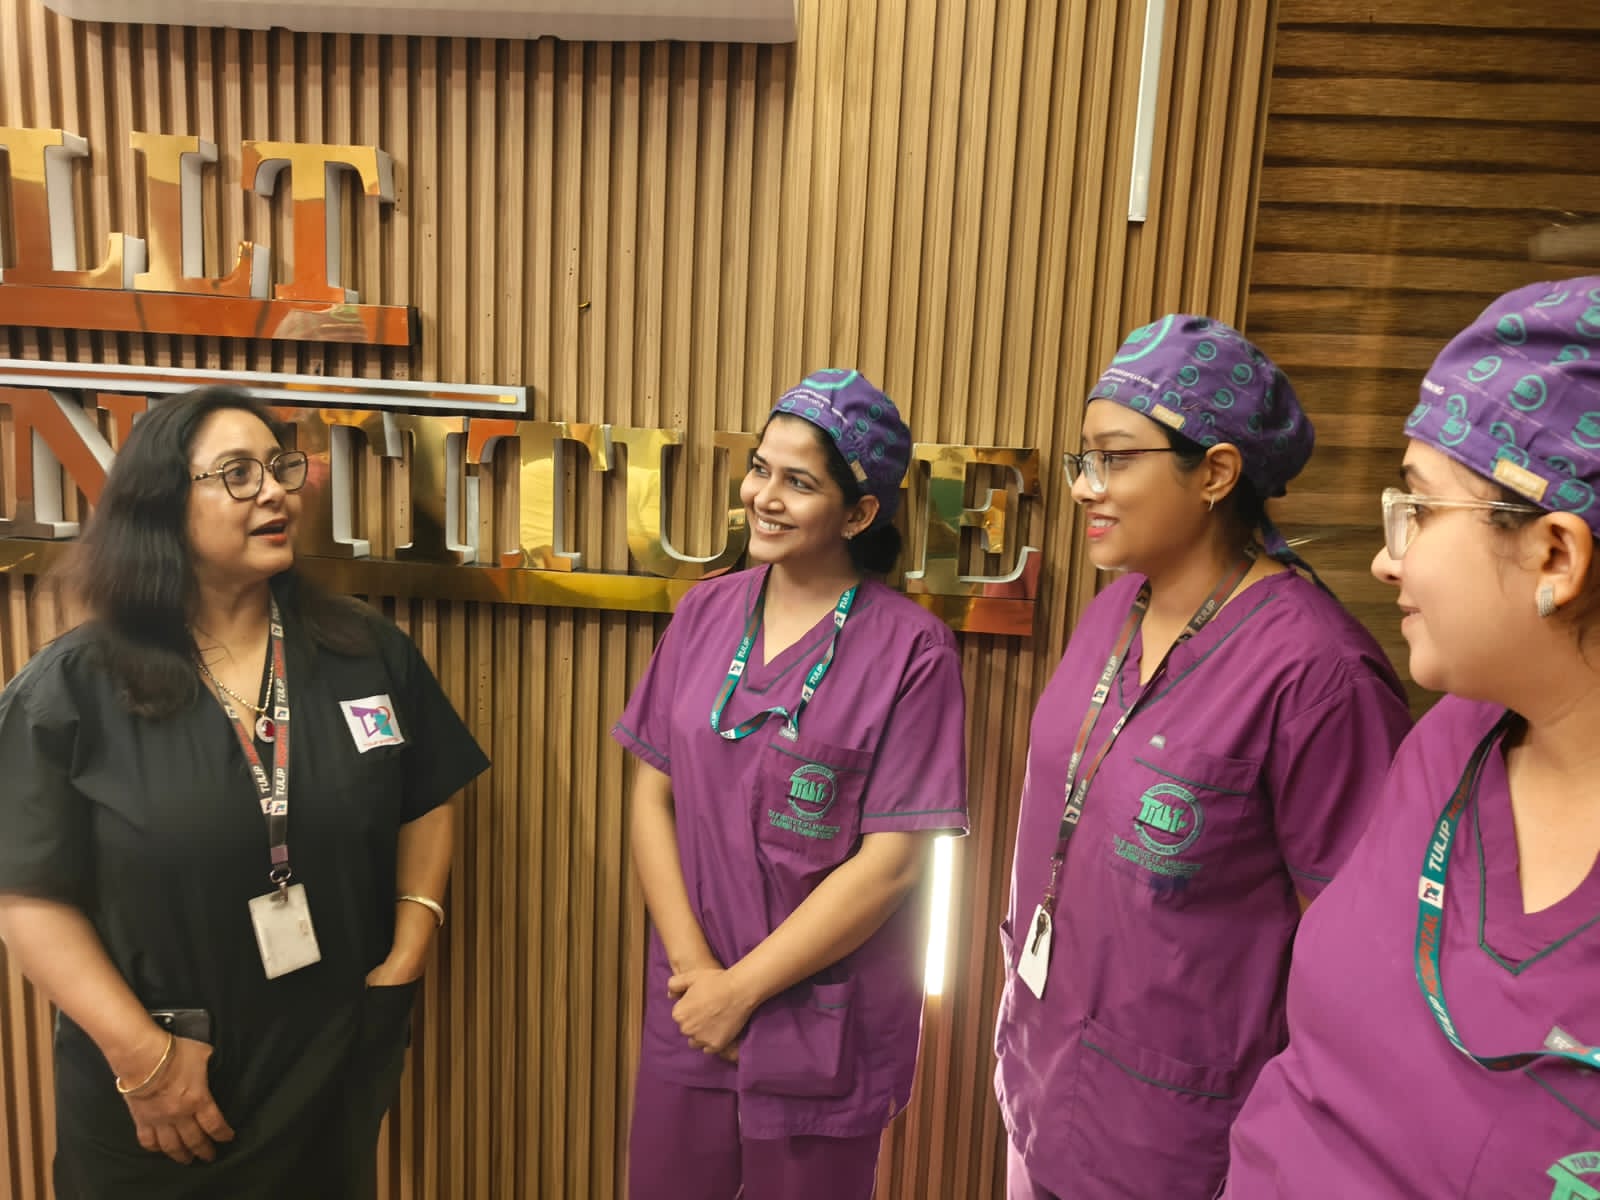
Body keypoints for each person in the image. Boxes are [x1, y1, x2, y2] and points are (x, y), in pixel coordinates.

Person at [0, 386, 490, 1199]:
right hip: (164, 1091)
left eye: (279, 467)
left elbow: (426, 793)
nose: (274, 492)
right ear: (162, 505)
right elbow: (26, 896)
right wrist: (144, 1059)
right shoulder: (74, 687)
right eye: (236, 473)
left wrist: (409, 946)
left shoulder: (363, 651)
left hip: (328, 1065)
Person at [992, 316, 1414, 1199]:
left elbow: (1355, 962)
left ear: (1216, 473)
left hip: (1179, 1140)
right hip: (1041, 1081)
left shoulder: (1318, 675)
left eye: (1115, 459)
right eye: (1083, 459)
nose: (1085, 487)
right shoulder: (1114, 612)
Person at [1225, 278, 1600, 1196]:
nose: (1386, 559)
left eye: (1421, 512)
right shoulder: (1452, 741)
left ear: (1555, 555)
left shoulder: (1323, 670)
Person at [612, 369, 969, 1200]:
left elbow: (892, 866)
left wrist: (740, 992)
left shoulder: (914, 652)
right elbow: (652, 795)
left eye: (799, 482)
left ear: (859, 514)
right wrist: (700, 978)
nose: (764, 498)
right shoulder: (704, 613)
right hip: (691, 1007)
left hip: (822, 1027)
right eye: (760, 469)